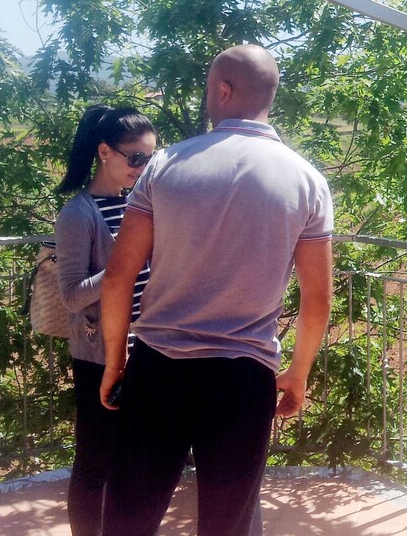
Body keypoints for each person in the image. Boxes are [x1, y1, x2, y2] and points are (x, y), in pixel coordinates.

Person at [97, 44, 334, 535]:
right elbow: (318, 300)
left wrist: (117, 362)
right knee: (228, 523)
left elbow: (119, 277)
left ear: (223, 90)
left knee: (129, 515)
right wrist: (297, 373)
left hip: (159, 366)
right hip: (244, 377)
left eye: (210, 89)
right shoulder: (307, 181)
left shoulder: (164, 166)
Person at [54, 104, 156, 536]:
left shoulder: (139, 204)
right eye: (135, 158)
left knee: (136, 462)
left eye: (150, 159)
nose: (143, 167)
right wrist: (119, 267)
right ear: (104, 152)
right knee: (95, 461)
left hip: (144, 352)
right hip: (98, 356)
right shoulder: (78, 215)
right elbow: (72, 296)